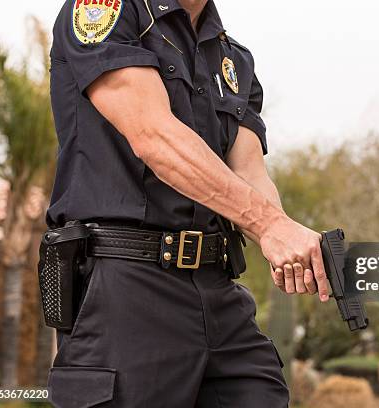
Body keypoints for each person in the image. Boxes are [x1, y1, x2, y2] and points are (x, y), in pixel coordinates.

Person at [46, 0, 329, 406]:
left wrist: (290, 241)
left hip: (217, 286)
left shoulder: (233, 58)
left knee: (261, 392)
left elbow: (249, 173)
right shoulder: (106, 12)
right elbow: (154, 137)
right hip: (126, 284)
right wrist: (269, 226)